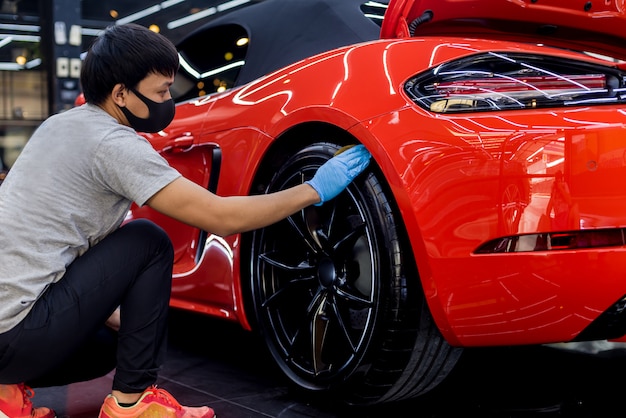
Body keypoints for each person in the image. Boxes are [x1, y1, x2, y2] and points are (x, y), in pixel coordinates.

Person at [0, 23, 371, 418]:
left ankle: (6, 390)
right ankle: (132, 405)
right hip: (15, 335)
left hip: (8, 324)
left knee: (107, 347)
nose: (167, 102)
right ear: (121, 93)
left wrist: (131, 327)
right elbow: (221, 217)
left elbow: (61, 251)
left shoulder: (58, 126)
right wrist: (314, 190)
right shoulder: (114, 143)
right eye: (160, 92)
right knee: (147, 240)